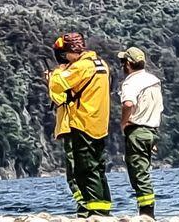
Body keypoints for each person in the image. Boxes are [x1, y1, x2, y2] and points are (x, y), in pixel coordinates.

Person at [48, 32, 112, 217]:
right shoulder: (101, 65)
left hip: (83, 123)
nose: (64, 58)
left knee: (85, 171)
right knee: (98, 170)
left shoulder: (82, 66)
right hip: (100, 124)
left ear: (71, 51)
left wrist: (58, 71)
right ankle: (104, 210)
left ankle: (94, 213)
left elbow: (57, 85)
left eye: (64, 54)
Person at [118, 46, 164, 219]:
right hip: (151, 131)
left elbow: (128, 104)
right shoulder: (154, 80)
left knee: (139, 174)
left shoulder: (131, 82)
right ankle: (147, 212)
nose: (122, 65)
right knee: (144, 171)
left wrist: (123, 122)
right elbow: (157, 108)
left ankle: (146, 215)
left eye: (123, 62)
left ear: (129, 64)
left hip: (137, 130)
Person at [47, 39, 84, 213]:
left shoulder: (61, 75)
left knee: (74, 173)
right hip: (83, 125)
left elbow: (60, 98)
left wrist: (50, 81)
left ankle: (83, 207)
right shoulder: (81, 71)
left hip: (70, 127)